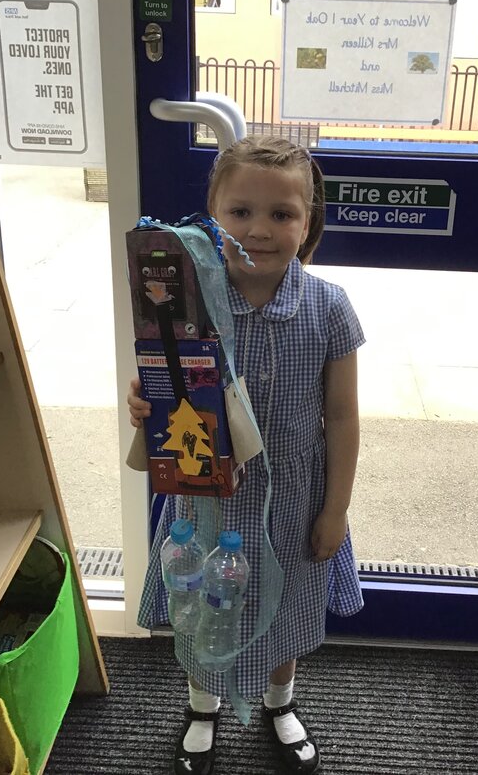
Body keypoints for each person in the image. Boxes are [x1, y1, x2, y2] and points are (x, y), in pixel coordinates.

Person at [129, 135, 364, 775]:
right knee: (202, 605)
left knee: (287, 609)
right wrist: (145, 401)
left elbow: (343, 417)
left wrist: (336, 510)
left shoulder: (329, 307)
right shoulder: (184, 304)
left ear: (307, 222)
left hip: (295, 499)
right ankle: (202, 706)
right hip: (207, 501)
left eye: (281, 214)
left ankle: (280, 702)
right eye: (240, 212)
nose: (259, 230)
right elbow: (162, 388)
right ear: (213, 214)